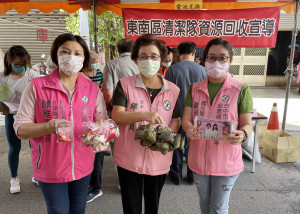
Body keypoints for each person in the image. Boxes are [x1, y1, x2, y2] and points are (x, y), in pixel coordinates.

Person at [13, 33, 107, 214]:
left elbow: (100, 120)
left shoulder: (92, 88)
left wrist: (101, 131)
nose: (71, 57)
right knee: (58, 210)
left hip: (83, 164)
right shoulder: (36, 86)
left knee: (79, 208)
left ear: (84, 59)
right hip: (50, 166)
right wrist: (48, 126)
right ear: (56, 54)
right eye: (65, 51)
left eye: (77, 53)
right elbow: (21, 129)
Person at [111, 33, 181, 214]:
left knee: (153, 206)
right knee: (131, 208)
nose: (148, 60)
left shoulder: (173, 90)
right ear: (135, 58)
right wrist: (143, 115)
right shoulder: (124, 85)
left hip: (158, 158)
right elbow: (117, 116)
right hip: (128, 157)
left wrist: (165, 138)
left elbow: (175, 119)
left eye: (154, 56)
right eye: (143, 56)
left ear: (162, 58)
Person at [182, 38, 253, 213]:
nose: (217, 62)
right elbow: (186, 119)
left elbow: (247, 124)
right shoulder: (194, 88)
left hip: (226, 161)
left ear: (230, 60)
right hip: (200, 159)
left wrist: (243, 134)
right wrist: (188, 128)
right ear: (204, 59)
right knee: (205, 205)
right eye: (212, 57)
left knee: (219, 208)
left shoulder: (241, 89)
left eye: (223, 58)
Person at [165, 41, 207, 185]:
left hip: (177, 113)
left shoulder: (172, 70)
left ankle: (176, 174)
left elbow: (167, 94)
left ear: (178, 53)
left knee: (177, 144)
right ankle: (192, 174)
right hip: (197, 114)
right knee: (193, 144)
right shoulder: (202, 70)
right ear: (194, 52)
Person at [0, 45, 40, 194]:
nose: (22, 67)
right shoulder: (3, 77)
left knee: (35, 146)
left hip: (31, 116)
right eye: (18, 65)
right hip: (13, 115)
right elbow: (2, 101)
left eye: (24, 64)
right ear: (9, 63)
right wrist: (3, 107)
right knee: (14, 148)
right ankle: (14, 178)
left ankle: (37, 175)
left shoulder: (33, 75)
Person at [83, 50, 105, 203]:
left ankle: (95, 187)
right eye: (94, 61)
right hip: (85, 121)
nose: (96, 64)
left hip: (97, 117)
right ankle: (88, 185)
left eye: (97, 61)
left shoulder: (99, 74)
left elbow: (102, 92)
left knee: (97, 154)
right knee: (86, 154)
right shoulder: (80, 75)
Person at [102, 38, 139, 110]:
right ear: (134, 49)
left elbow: (108, 93)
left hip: (118, 107)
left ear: (118, 50)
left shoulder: (110, 65)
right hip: (138, 106)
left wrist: (111, 106)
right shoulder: (140, 63)